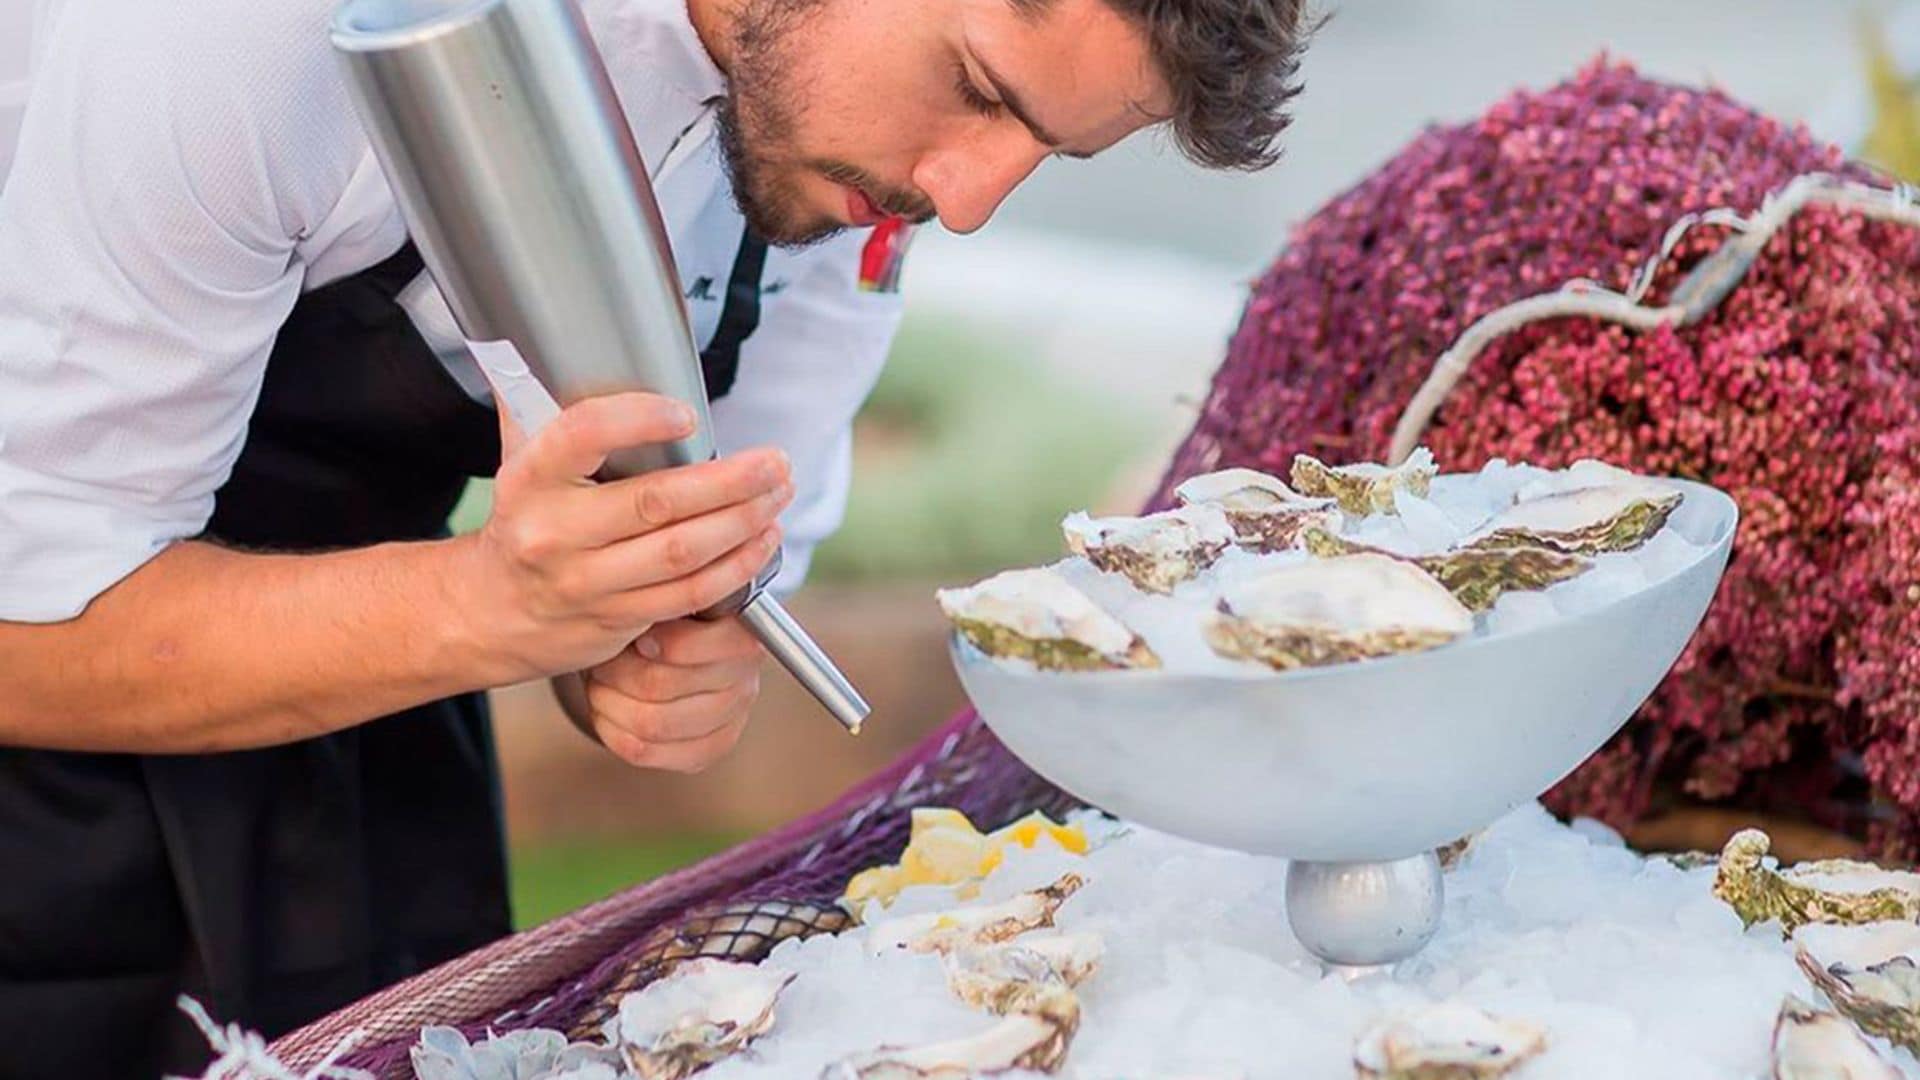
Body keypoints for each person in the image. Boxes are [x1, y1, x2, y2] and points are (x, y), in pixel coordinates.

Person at [0, 0, 1311, 1072]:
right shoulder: (230, 36)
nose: (964, 201)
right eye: (975, 87)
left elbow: (709, 571)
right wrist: (486, 611)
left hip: (384, 770)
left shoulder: (842, 156)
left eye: (1050, 151)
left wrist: (640, 647)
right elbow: (23, 621)